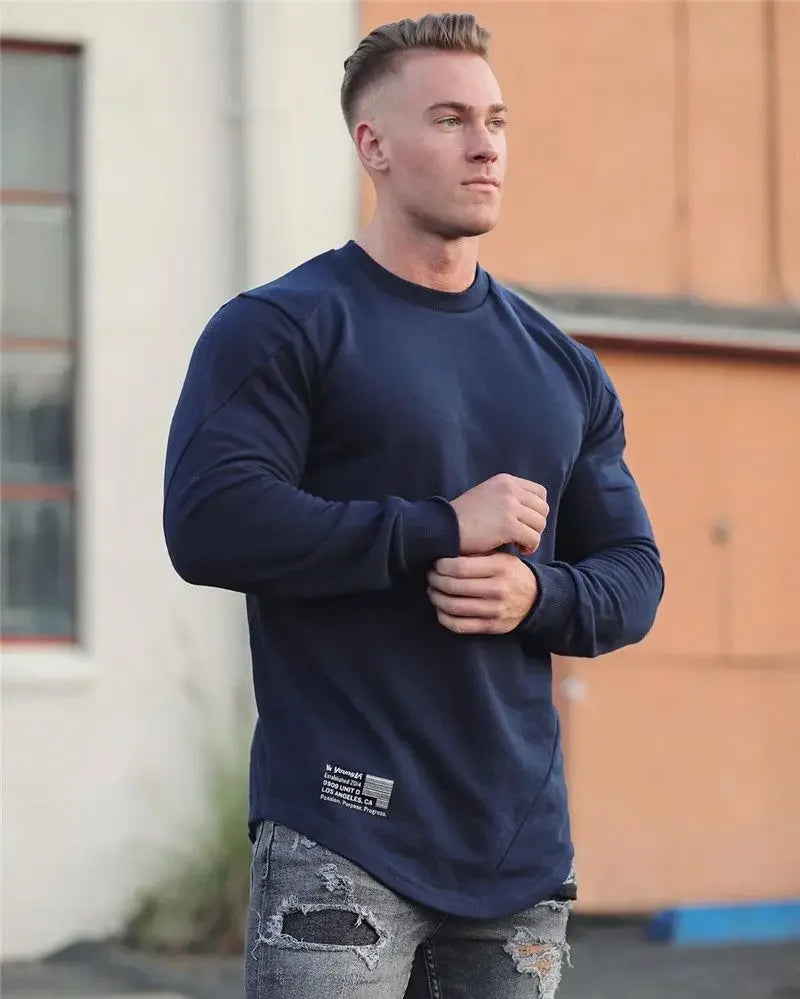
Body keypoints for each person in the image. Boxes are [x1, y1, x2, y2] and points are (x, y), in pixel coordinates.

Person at [163, 12, 664, 999]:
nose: (484, 145)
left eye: (495, 120)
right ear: (373, 145)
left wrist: (537, 596)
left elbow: (634, 576)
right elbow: (211, 520)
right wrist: (437, 526)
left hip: (516, 857)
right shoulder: (281, 327)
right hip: (339, 835)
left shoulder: (560, 367)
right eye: (448, 119)